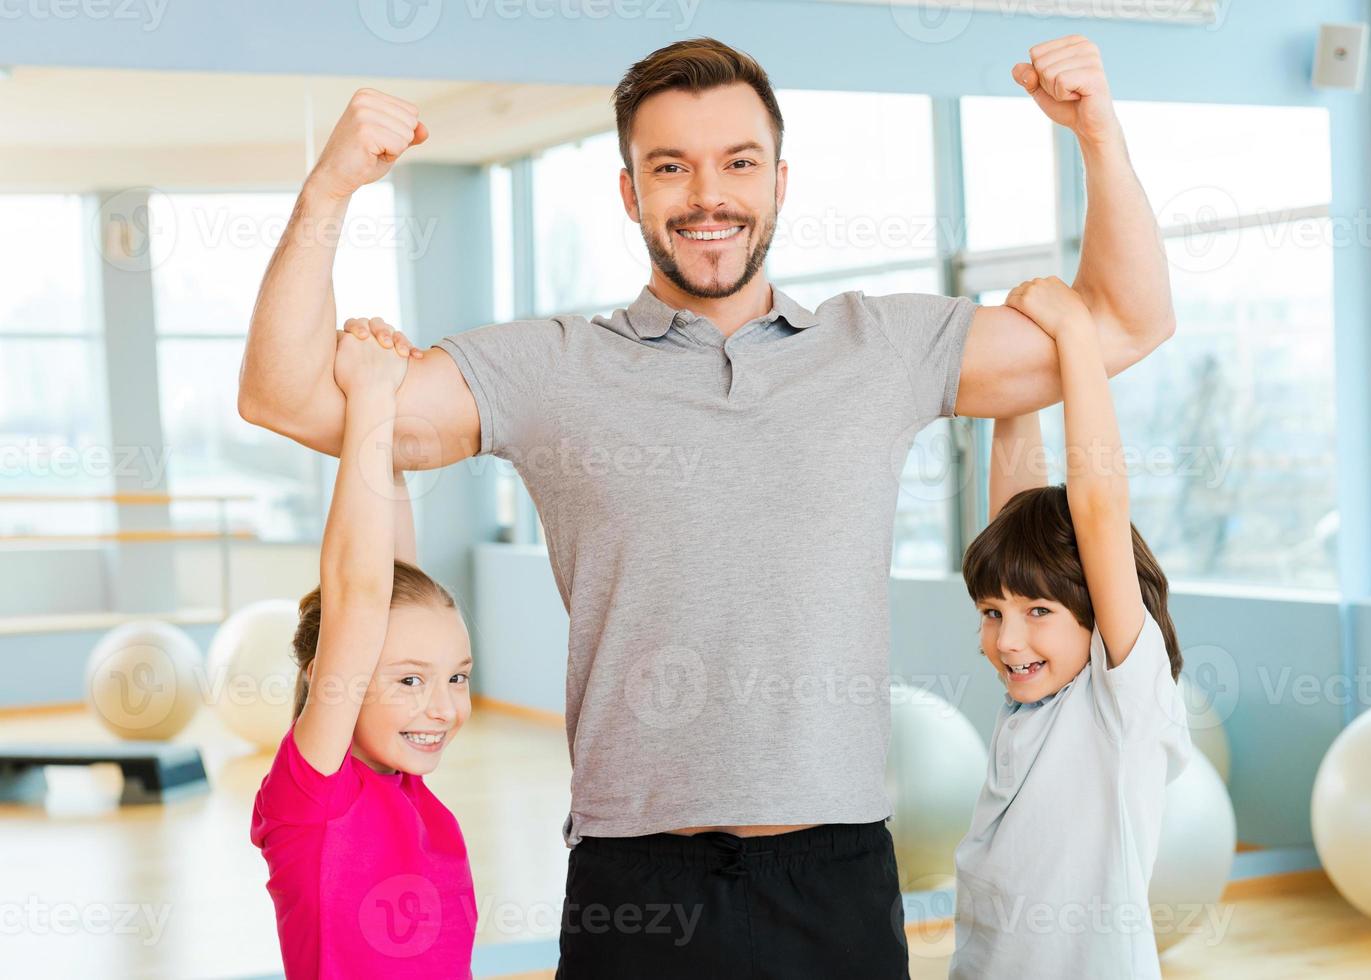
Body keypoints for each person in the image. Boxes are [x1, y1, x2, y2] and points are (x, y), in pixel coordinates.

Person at [239, 34, 1175, 977]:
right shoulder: (545, 368)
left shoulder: (883, 347)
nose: (707, 195)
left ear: (777, 179)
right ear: (628, 192)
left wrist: (1095, 131)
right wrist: (328, 192)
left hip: (834, 873)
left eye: (737, 162)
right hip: (637, 881)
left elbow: (1124, 321)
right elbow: (289, 397)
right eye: (670, 167)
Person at [950, 276, 1191, 979]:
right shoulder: (1038, 697)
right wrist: (1015, 373)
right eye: (992, 613)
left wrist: (1076, 336)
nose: (1006, 640)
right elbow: (1012, 510)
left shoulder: (1120, 702)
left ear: (1093, 613)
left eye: (1037, 614)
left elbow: (1096, 504)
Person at [249, 325, 477, 978]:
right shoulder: (314, 799)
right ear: (329, 676)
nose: (443, 708)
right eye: (410, 682)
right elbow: (359, 588)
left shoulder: (406, 790)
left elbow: (391, 576)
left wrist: (391, 440)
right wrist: (372, 392)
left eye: (458, 677)